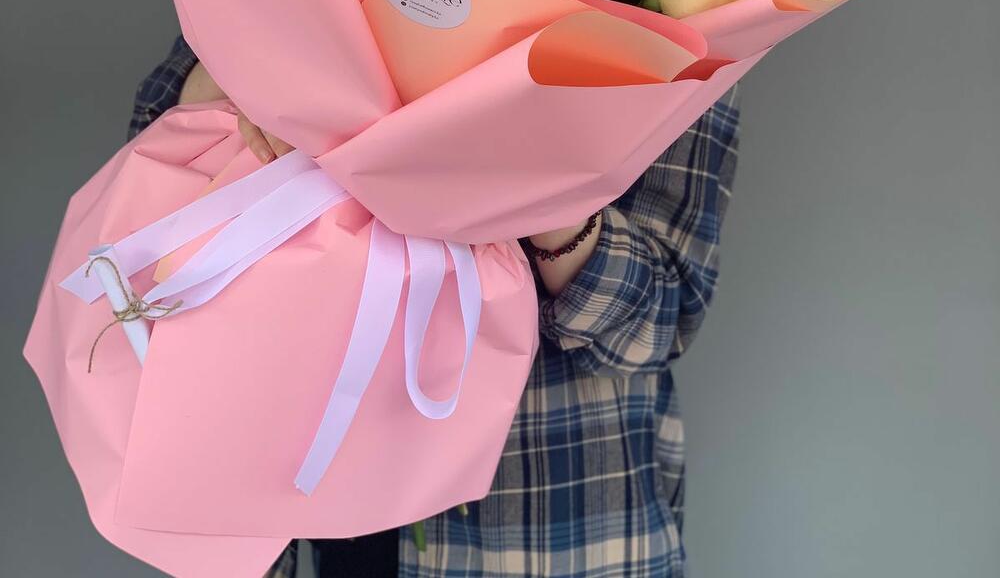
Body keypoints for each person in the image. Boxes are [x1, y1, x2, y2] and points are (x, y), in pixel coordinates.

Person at [131, 36, 740, 577]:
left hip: (535, 524)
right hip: (305, 482)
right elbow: (148, 165)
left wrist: (547, 191)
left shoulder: (684, 27)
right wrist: (243, 85)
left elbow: (658, 327)